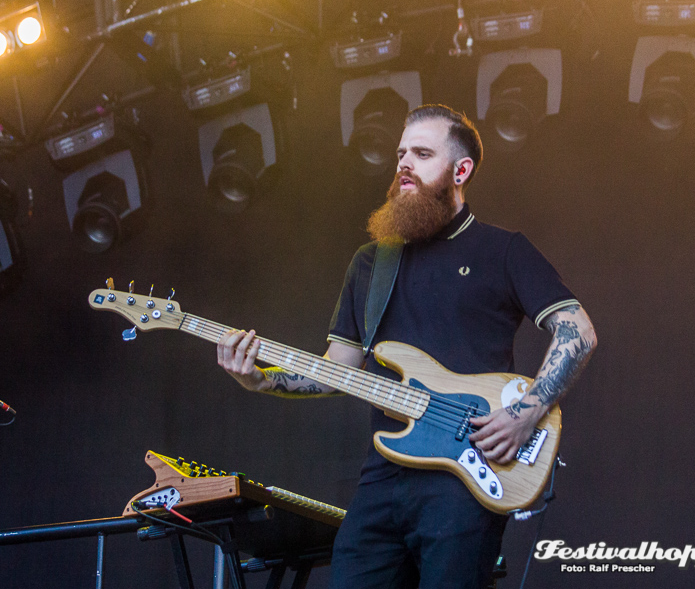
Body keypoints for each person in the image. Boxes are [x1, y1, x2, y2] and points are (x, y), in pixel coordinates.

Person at [216, 104, 597, 588]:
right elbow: (339, 367)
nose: (403, 165)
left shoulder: (502, 251)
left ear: (461, 170)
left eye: (421, 153)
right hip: (384, 478)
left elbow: (576, 329)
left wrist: (526, 413)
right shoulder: (372, 263)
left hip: (467, 479)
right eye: (401, 153)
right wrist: (260, 379)